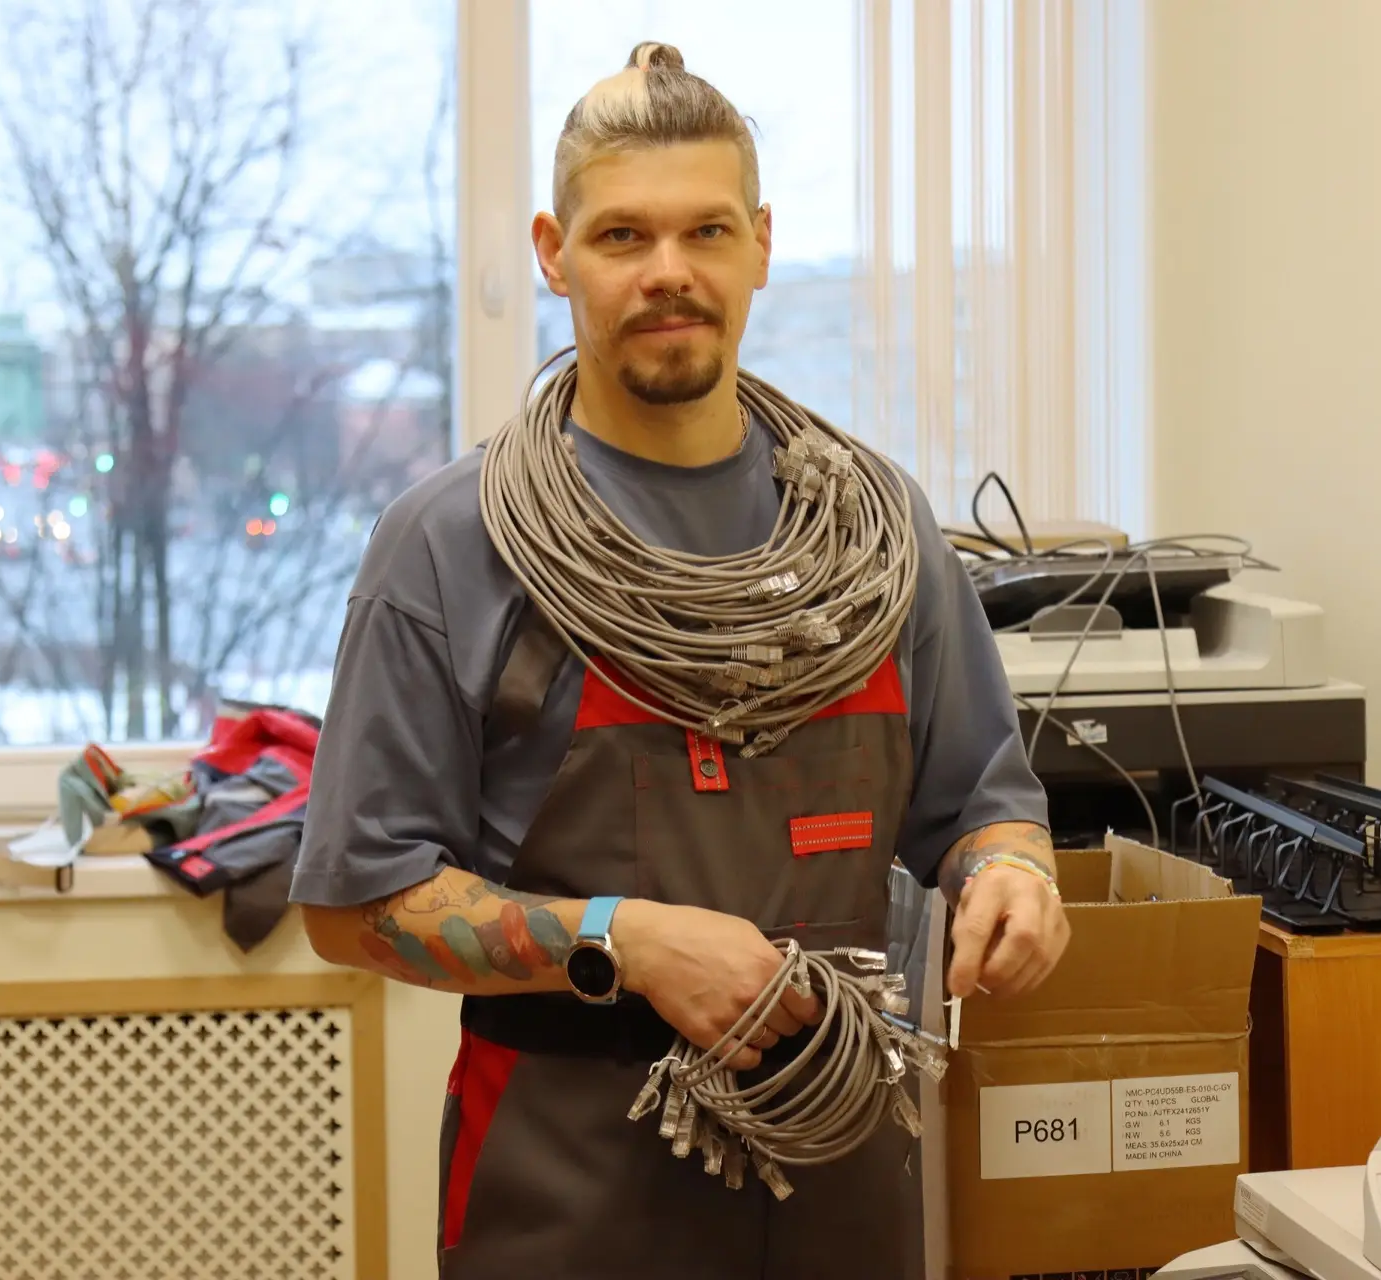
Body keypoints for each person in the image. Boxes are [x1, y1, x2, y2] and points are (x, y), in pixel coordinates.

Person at [293, 41, 1071, 1278]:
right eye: (623, 236)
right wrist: (627, 939)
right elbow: (354, 907)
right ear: (553, 253)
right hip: (570, 1195)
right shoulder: (451, 543)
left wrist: (1014, 872)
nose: (670, 271)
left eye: (706, 230)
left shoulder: (878, 529)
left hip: (844, 1187)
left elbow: (981, 803)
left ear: (760, 243)